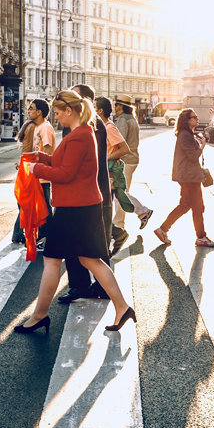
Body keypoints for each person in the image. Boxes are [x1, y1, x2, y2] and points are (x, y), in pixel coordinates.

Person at [15, 90, 135, 334]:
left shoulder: (80, 136)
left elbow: (66, 174)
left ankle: (39, 316)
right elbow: (64, 165)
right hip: (81, 206)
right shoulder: (81, 133)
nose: (56, 117)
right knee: (89, 259)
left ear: (69, 111)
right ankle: (122, 307)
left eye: (58, 113)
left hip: (75, 208)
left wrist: (37, 169)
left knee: (52, 259)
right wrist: (41, 157)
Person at [59, 84, 115, 304]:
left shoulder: (84, 124)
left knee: (82, 243)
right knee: (90, 243)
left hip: (85, 192)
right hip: (92, 190)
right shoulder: (91, 123)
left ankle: (85, 285)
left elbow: (74, 162)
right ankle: (95, 286)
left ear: (81, 100)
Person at [152, 109, 214, 248]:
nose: (197, 118)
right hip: (189, 176)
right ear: (187, 120)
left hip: (188, 175)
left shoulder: (187, 134)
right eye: (194, 117)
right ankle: (201, 237)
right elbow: (193, 156)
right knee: (197, 207)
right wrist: (202, 145)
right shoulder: (185, 135)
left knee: (185, 205)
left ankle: (163, 229)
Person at [110, 94, 154, 243]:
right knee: (120, 192)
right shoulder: (132, 119)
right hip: (132, 159)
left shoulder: (122, 119)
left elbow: (119, 141)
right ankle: (137, 215)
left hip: (124, 160)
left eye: (116, 105)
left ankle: (127, 220)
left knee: (120, 194)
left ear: (121, 106)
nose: (114, 108)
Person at [12, 99, 56, 244]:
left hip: (42, 175)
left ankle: (49, 237)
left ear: (39, 112)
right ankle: (44, 236)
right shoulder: (38, 127)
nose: (28, 111)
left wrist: (40, 169)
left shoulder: (45, 128)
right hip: (37, 174)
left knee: (45, 207)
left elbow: (47, 154)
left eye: (31, 108)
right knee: (39, 207)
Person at [95, 97, 133, 254]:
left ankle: (117, 234)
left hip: (108, 174)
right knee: (100, 211)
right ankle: (115, 235)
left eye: (93, 107)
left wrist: (104, 157)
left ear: (100, 111)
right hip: (102, 172)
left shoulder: (109, 127)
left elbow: (125, 149)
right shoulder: (101, 126)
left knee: (101, 210)